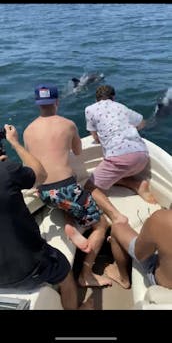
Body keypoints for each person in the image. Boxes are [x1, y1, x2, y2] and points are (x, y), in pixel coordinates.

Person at [23, 84, 112, 287]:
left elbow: (31, 164)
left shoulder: (28, 131)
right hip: (66, 189)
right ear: (57, 102)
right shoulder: (68, 124)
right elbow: (79, 151)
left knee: (66, 202)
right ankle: (87, 274)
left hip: (45, 193)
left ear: (38, 104)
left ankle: (70, 226)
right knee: (101, 224)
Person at [0, 124, 84, 309]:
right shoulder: (7, 171)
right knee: (66, 275)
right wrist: (15, 143)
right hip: (27, 270)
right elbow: (40, 174)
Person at [85, 84, 157, 204]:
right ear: (113, 97)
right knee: (117, 172)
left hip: (120, 158)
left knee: (89, 187)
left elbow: (95, 137)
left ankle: (116, 216)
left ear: (96, 99)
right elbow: (142, 123)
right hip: (142, 156)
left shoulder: (90, 109)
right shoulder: (121, 107)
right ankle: (136, 184)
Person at [106, 209, 172, 289]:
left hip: (164, 286)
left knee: (117, 227)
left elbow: (140, 254)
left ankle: (123, 279)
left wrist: (150, 228)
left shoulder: (161, 219)